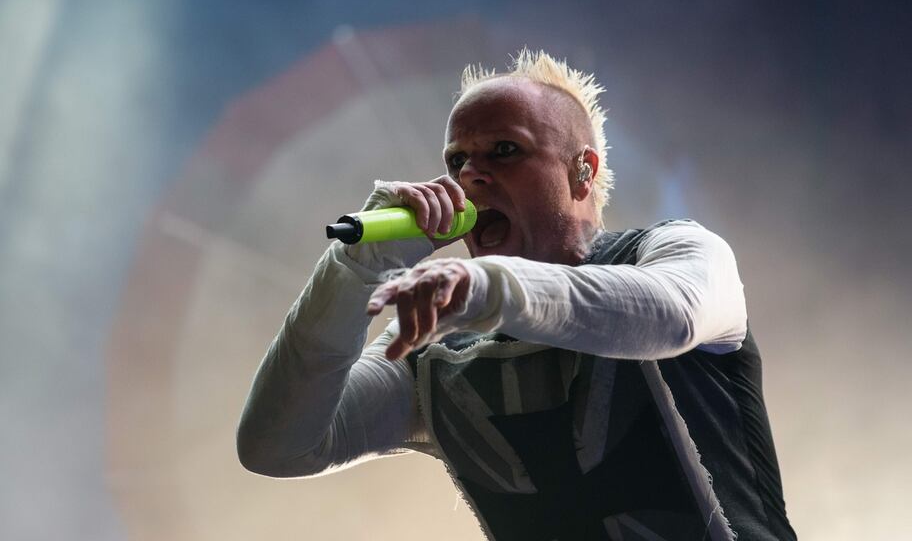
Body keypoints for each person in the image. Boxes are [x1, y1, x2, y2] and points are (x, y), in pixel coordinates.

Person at [237, 50, 797, 541]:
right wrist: (352, 269)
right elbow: (280, 447)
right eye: (456, 161)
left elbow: (672, 315)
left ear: (582, 172)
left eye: (504, 150)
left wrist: (486, 287)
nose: (470, 177)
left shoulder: (677, 251)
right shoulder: (436, 345)